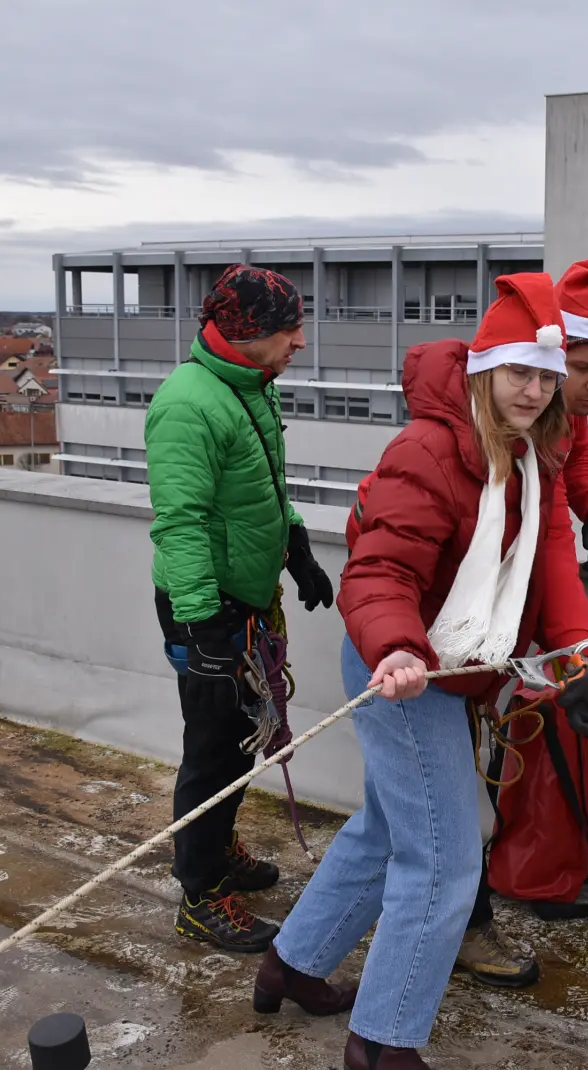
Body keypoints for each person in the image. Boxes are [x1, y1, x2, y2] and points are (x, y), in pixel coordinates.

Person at [255, 273, 588, 1070]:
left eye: (545, 375)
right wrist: (396, 648)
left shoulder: (534, 457)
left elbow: (553, 562)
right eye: (519, 371)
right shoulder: (427, 448)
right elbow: (377, 570)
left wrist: (580, 662)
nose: (534, 390)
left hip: (446, 670)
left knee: (389, 829)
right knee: (449, 853)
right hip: (402, 664)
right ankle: (383, 1042)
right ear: (486, 369)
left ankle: (293, 963)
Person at [456, 257, 588, 989]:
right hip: (444, 647)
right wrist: (580, 654)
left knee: (435, 813)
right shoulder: (478, 436)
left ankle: (300, 961)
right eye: (584, 366)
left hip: (479, 642)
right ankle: (461, 932)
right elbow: (540, 553)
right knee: (443, 816)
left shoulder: (553, 419)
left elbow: (573, 476)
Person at [146, 264, 335, 953]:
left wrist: (297, 549)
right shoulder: (188, 405)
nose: (300, 342)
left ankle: (219, 848)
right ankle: (198, 894)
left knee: (240, 745)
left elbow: (260, 491)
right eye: (290, 329)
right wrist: (202, 629)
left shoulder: (250, 388)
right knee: (211, 755)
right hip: (208, 611)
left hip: (242, 605)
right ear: (249, 330)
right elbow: (182, 523)